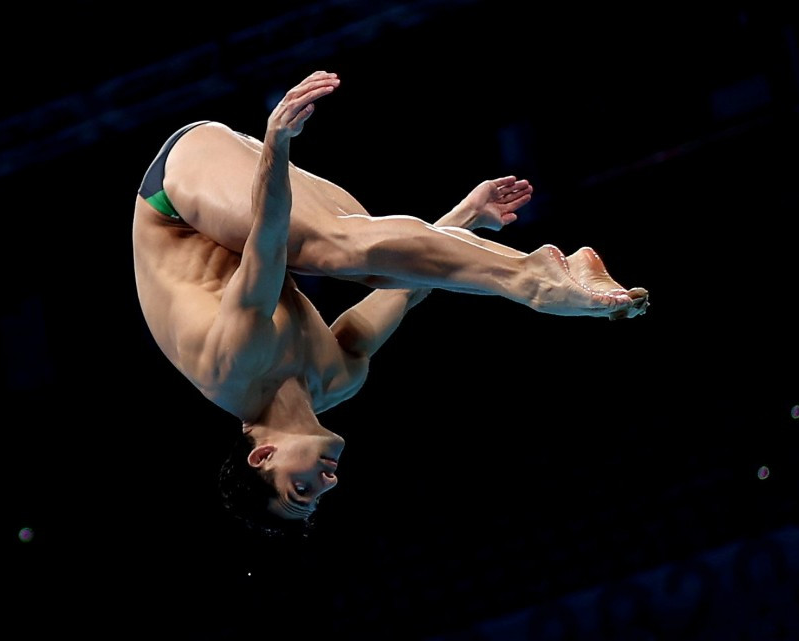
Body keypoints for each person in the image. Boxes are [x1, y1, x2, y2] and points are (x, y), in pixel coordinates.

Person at [132, 70, 648, 535]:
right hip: (241, 216)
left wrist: (276, 146)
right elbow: (402, 291)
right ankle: (547, 274)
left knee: (325, 247)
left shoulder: (236, 369)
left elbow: (268, 242)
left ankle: (536, 279)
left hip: (176, 198)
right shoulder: (337, 379)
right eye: (320, 497)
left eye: (302, 490)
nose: (328, 484)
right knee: (369, 262)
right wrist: (465, 218)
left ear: (262, 456)